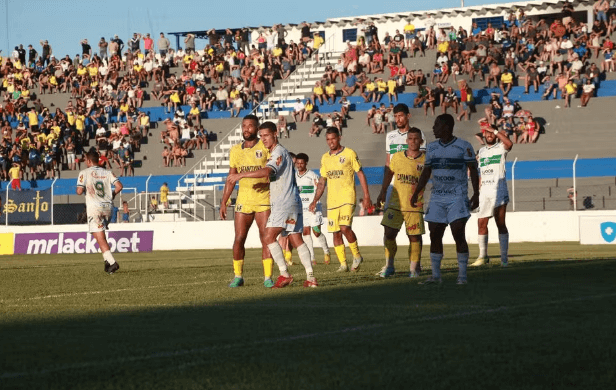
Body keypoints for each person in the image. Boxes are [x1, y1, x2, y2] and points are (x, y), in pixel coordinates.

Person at [227, 122, 318, 288]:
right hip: (292, 202)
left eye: (266, 136)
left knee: (268, 237)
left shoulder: (278, 152)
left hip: (284, 203)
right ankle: (311, 277)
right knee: (296, 239)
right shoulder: (276, 152)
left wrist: (242, 175)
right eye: (261, 136)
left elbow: (268, 171)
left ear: (275, 134)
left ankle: (284, 274)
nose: (264, 139)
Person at [411, 114, 479, 285]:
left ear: (446, 127)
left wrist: (476, 193)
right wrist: (417, 192)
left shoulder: (463, 146)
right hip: (437, 197)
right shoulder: (432, 148)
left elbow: (473, 169)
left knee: (458, 232)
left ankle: (462, 276)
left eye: (436, 125)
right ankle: (436, 276)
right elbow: (426, 172)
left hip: (457, 196)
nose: (433, 128)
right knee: (435, 233)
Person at [219, 115, 274, 288]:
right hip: (243, 200)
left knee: (266, 238)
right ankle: (238, 276)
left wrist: (267, 182)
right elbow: (231, 177)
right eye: (244, 126)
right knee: (239, 238)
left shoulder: (265, 147)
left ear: (257, 129)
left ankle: (267, 277)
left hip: (264, 199)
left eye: (250, 126)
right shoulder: (236, 150)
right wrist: (224, 201)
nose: (246, 129)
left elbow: (273, 171)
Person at [309, 127, 372, 272]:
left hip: (347, 197)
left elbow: (360, 174)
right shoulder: (325, 158)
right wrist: (314, 200)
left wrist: (366, 195)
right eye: (328, 139)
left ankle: (356, 256)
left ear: (339, 138)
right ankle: (343, 264)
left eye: (333, 138)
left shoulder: (349, 153)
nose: (331, 142)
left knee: (344, 228)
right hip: (332, 201)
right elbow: (322, 182)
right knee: (335, 232)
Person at [376, 128, 425, 278]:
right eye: (410, 139)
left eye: (416, 139)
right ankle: (389, 265)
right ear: (406, 141)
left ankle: (413, 269)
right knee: (389, 233)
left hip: (414, 205)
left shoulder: (426, 159)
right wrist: (383, 192)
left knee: (414, 237)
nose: (412, 141)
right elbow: (389, 174)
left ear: (421, 141)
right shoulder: (396, 157)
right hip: (396, 203)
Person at [76, 149, 124, 274]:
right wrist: (112, 194)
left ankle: (112, 263)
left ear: (89, 161)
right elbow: (119, 186)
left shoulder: (84, 172)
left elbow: (79, 191)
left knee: (100, 237)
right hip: (108, 207)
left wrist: (84, 189)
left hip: (94, 207)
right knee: (98, 235)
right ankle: (107, 261)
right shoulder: (107, 172)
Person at [472, 125, 513, 267]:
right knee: (481, 223)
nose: (489, 135)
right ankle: (483, 256)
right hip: (484, 192)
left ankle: (504, 259)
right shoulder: (481, 152)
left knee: (500, 224)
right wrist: (477, 192)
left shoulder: (501, 148)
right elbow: (480, 174)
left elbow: (509, 144)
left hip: (499, 190)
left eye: (491, 133)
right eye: (486, 133)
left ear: (495, 135)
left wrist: (495, 130)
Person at [294, 153, 331, 265]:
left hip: (313, 207)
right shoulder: (294, 176)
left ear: (306, 163)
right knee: (305, 232)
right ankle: (312, 258)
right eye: (297, 163)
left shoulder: (312, 175)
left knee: (316, 231)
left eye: (302, 163)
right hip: (301, 208)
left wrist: (314, 202)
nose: (299, 165)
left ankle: (326, 251)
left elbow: (319, 189)